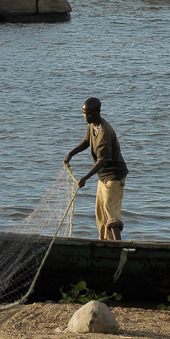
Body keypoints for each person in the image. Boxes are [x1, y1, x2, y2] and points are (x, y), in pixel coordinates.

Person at [62, 97, 128, 241]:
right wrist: (71, 154)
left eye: (89, 114)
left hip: (114, 176)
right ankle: (103, 241)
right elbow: (86, 141)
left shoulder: (105, 133)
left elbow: (101, 161)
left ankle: (118, 246)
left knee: (111, 213)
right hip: (103, 176)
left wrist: (85, 178)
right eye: (84, 113)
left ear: (98, 112)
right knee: (100, 213)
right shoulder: (92, 125)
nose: (86, 117)